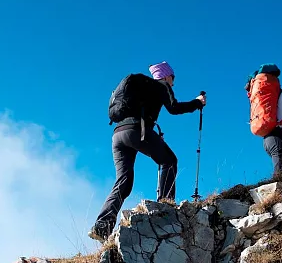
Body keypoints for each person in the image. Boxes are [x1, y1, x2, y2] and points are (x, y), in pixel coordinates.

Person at [88, 61, 206, 241]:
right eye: (173, 77)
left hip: (118, 135)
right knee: (169, 161)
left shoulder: (142, 89)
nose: (173, 82)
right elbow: (174, 108)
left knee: (124, 180)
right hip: (137, 130)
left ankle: (102, 226)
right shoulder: (162, 85)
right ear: (166, 75)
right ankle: (165, 206)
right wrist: (196, 103)